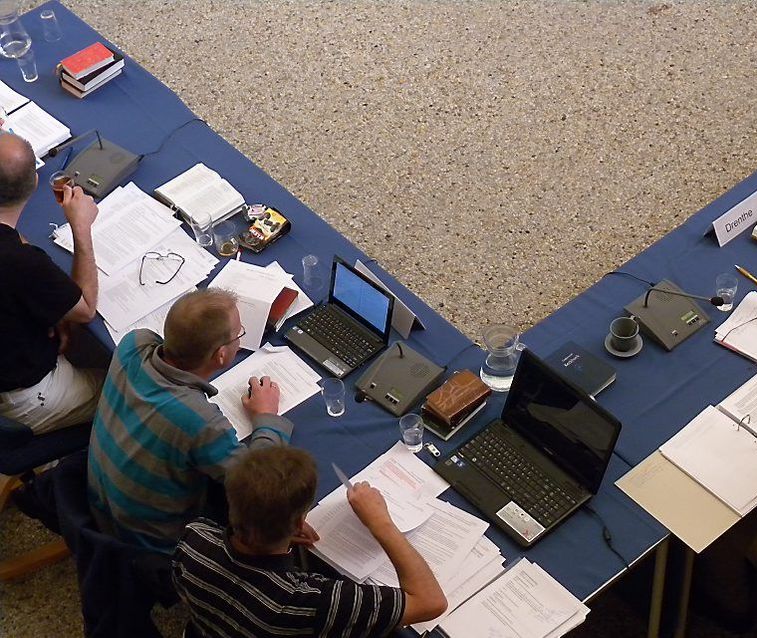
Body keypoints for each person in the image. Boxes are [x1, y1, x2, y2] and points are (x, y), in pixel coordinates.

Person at [88, 288, 293, 552]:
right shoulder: (198, 421)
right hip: (154, 543)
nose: (239, 340)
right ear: (220, 355)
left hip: (103, 504)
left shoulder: (134, 343)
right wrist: (266, 417)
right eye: (238, 334)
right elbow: (260, 484)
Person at [172, 447, 447, 637]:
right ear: (299, 521)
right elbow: (430, 602)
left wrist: (275, 531)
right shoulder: (308, 602)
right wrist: (381, 524)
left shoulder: (193, 538)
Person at [0, 132, 105, 433]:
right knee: (125, 388)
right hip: (23, 395)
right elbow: (85, 310)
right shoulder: (22, 263)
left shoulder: (18, 260)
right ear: (35, 183)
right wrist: (81, 227)